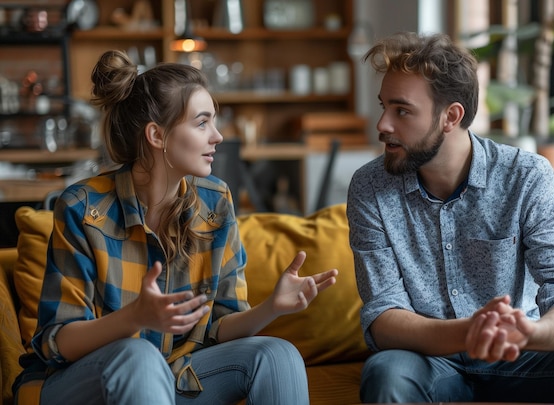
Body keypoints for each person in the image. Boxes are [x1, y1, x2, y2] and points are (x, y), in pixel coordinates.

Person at [13, 50, 338, 405]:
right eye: (202, 123)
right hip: (82, 384)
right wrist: (134, 318)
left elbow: (220, 326)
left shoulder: (216, 202)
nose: (217, 136)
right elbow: (57, 341)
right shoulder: (83, 208)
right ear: (157, 135)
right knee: (139, 357)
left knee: (277, 355)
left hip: (172, 376)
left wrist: (272, 307)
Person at [346, 31, 554, 404]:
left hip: (520, 353)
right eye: (384, 107)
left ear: (451, 116)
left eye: (401, 110)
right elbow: (384, 316)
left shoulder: (527, 176)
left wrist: (528, 332)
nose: (382, 124)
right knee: (387, 375)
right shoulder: (369, 186)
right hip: (428, 357)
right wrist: (472, 331)